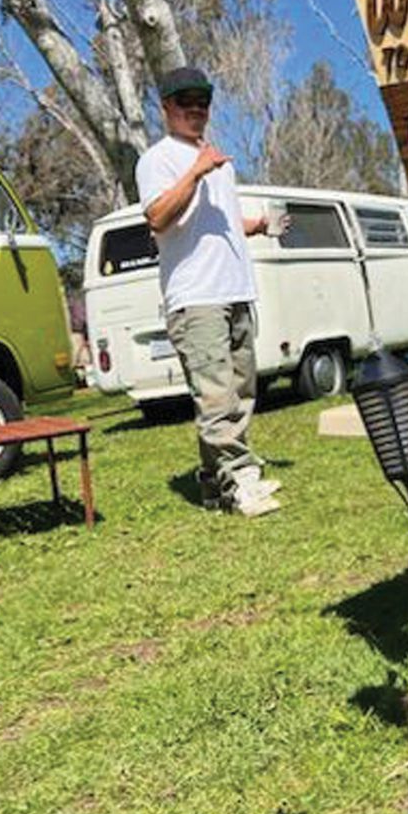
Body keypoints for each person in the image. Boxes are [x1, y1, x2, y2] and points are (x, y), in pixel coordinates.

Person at [136, 66, 284, 517]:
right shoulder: (157, 159)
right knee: (216, 394)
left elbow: (214, 220)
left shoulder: (216, 158)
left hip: (235, 290)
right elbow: (158, 216)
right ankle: (241, 479)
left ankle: (213, 486)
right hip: (195, 297)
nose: (196, 109)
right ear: (166, 108)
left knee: (238, 391)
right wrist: (197, 172)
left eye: (203, 101)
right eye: (185, 101)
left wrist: (256, 226)